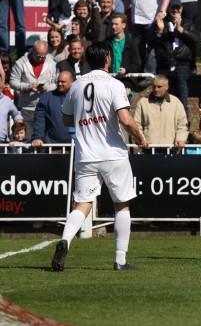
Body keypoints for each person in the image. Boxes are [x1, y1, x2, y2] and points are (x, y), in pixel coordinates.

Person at [51, 42, 148, 272]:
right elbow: (124, 119)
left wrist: (85, 117)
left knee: (82, 204)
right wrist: (140, 137)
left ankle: (65, 240)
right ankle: (120, 260)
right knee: (121, 205)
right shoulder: (115, 84)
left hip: (86, 154)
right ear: (107, 59)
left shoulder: (76, 86)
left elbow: (66, 120)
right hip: (113, 153)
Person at [150, 0, 198, 117]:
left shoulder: (188, 23)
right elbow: (151, 44)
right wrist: (160, 30)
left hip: (182, 65)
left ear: (181, 9)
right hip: (164, 65)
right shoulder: (161, 23)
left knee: (182, 100)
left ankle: (183, 128)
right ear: (169, 9)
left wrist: (180, 28)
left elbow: (195, 39)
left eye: (178, 9)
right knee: (163, 99)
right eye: (173, 9)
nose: (175, 11)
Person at [124, 0, 170, 74]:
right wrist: (122, 12)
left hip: (151, 21)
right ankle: (139, 73)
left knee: (151, 50)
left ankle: (150, 75)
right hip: (136, 21)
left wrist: (162, 12)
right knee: (137, 49)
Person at [10, 40, 57, 140]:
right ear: (32, 51)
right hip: (27, 108)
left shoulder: (52, 63)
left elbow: (57, 83)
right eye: (38, 56)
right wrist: (27, 86)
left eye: (43, 56)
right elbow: (13, 82)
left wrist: (47, 88)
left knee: (43, 139)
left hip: (45, 107)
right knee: (25, 139)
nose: (41, 59)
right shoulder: (20, 63)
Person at [134, 75, 188, 150]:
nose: (156, 89)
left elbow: (182, 125)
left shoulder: (176, 103)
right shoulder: (142, 103)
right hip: (149, 149)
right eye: (154, 86)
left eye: (159, 87)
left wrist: (180, 139)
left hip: (171, 149)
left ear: (167, 87)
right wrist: (141, 139)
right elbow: (137, 125)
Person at [31, 71, 74, 147]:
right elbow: (39, 120)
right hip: (52, 146)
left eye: (63, 82)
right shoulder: (46, 97)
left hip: (76, 146)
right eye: (58, 81)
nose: (60, 84)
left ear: (71, 82)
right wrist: (37, 137)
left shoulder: (79, 97)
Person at [104, 13, 141, 92]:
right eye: (112, 24)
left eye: (116, 24)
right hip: (109, 83)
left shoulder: (131, 43)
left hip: (126, 84)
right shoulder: (106, 43)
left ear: (123, 25)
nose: (113, 27)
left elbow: (136, 64)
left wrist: (126, 70)